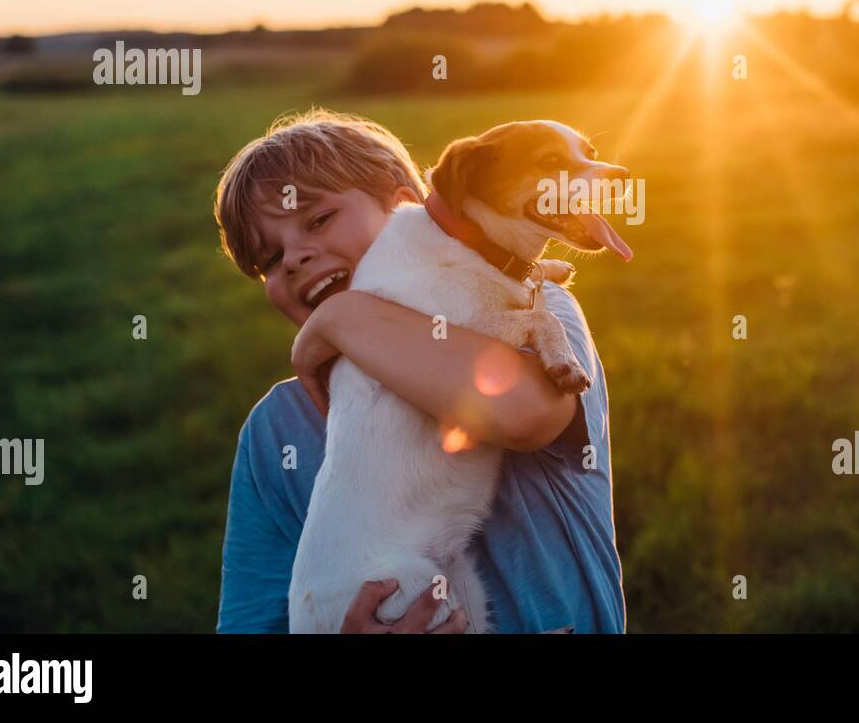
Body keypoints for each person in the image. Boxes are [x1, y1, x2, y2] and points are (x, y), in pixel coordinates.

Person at [212, 109, 625, 633]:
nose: (294, 257)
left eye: (318, 220)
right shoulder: (274, 432)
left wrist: (344, 316)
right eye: (269, 259)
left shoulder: (540, 309)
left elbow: (524, 415)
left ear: (408, 207)